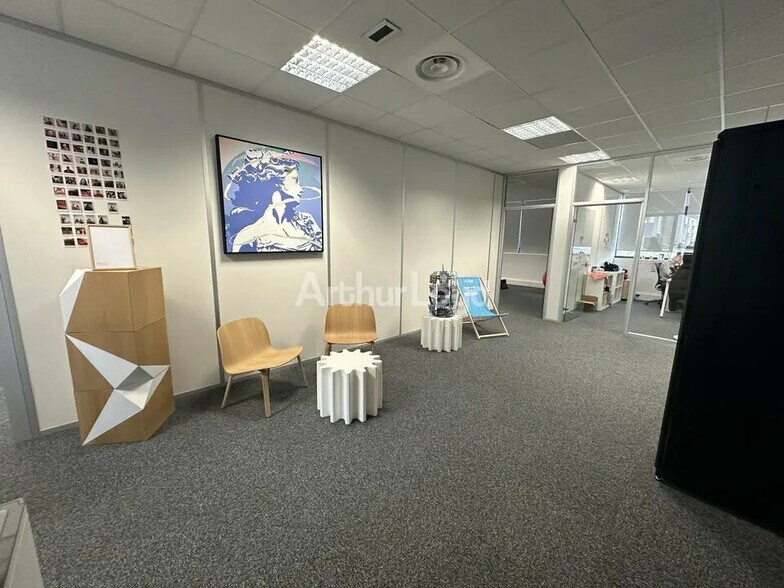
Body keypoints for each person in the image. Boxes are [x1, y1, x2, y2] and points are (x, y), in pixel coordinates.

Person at [223, 148, 322, 253]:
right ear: (276, 184)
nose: (301, 189)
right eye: (295, 180)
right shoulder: (248, 236)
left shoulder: (306, 221)